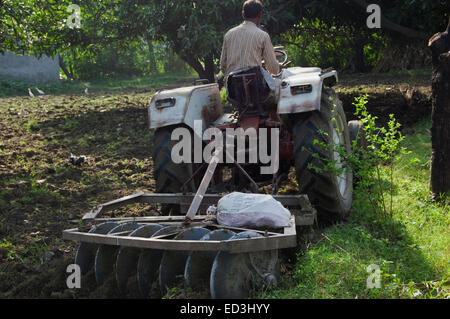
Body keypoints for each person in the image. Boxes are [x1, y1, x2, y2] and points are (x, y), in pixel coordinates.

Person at [220, 0, 280, 78]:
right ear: (260, 15)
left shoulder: (228, 34)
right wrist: (278, 67)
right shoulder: (263, 36)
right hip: (254, 86)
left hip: (232, 87)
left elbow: (223, 65)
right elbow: (273, 69)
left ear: (243, 14)